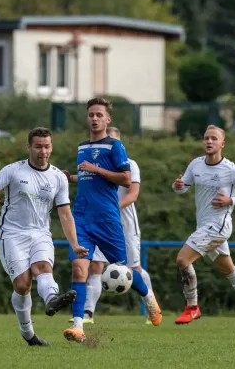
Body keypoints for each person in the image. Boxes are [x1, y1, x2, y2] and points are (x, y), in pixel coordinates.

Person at [0, 127, 88, 347]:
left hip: (41, 234)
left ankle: (52, 300)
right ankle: (29, 334)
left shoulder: (58, 177)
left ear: (51, 147)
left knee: (43, 267)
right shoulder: (13, 170)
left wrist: (75, 244)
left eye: (47, 146)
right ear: (29, 147)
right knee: (22, 285)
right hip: (11, 234)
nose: (43, 151)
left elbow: (65, 214)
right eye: (38, 146)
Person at [62, 98, 162, 343]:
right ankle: (78, 326)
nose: (94, 118)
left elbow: (126, 179)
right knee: (79, 269)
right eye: (91, 115)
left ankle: (148, 297)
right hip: (81, 217)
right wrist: (71, 177)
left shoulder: (115, 146)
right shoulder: (82, 147)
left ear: (108, 119)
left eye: (99, 115)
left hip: (107, 218)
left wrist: (96, 169)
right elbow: (89, 179)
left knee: (123, 269)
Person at [172, 125, 235, 332]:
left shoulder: (231, 170)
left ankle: (192, 307)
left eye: (214, 138)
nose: (209, 141)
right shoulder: (196, 164)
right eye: (206, 138)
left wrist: (231, 200)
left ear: (222, 144)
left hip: (218, 226)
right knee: (227, 268)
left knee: (183, 259)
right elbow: (182, 187)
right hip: (204, 225)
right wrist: (178, 187)